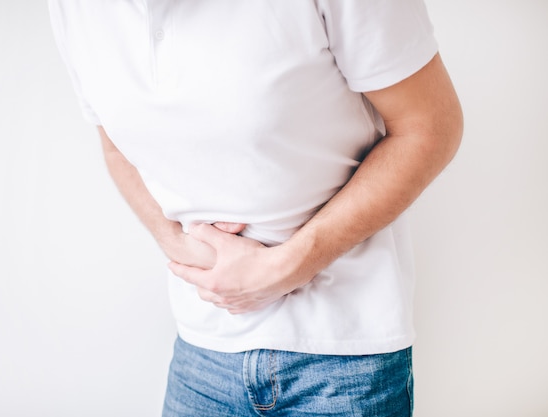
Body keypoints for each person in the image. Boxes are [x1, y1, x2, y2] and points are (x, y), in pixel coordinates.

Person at [49, 0, 463, 415]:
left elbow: (430, 126)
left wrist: (291, 265)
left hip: (342, 354)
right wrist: (174, 242)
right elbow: (116, 148)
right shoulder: (74, 9)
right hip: (203, 353)